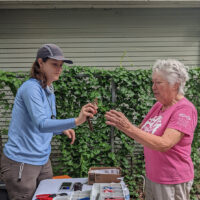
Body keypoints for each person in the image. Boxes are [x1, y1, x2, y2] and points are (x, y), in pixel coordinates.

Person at [0, 44, 98, 200]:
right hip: (22, 162)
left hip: (43, 160)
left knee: (49, 196)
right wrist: (76, 121)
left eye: (60, 65)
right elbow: (41, 124)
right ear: (40, 62)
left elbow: (47, 122)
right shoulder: (31, 89)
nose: (59, 69)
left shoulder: (48, 89)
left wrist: (61, 129)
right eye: (54, 64)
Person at [105, 59, 197, 200]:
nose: (153, 87)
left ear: (175, 85)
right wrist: (123, 126)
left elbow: (164, 144)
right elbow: (141, 132)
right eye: (153, 82)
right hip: (153, 176)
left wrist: (129, 127)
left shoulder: (184, 109)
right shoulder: (158, 106)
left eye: (158, 82)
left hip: (172, 180)